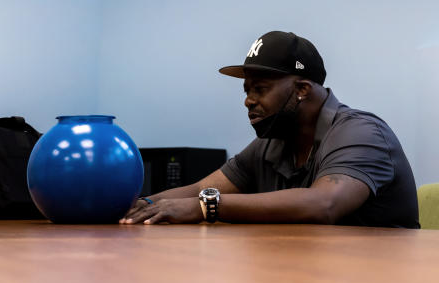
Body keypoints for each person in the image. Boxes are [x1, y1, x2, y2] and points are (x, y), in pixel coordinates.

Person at [122, 31, 419, 228]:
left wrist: (206, 207)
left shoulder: (361, 133)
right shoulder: (274, 141)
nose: (248, 101)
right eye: (247, 90)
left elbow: (324, 203)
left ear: (302, 89)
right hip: (310, 273)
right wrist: (141, 206)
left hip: (382, 282)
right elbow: (201, 189)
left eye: (260, 89)